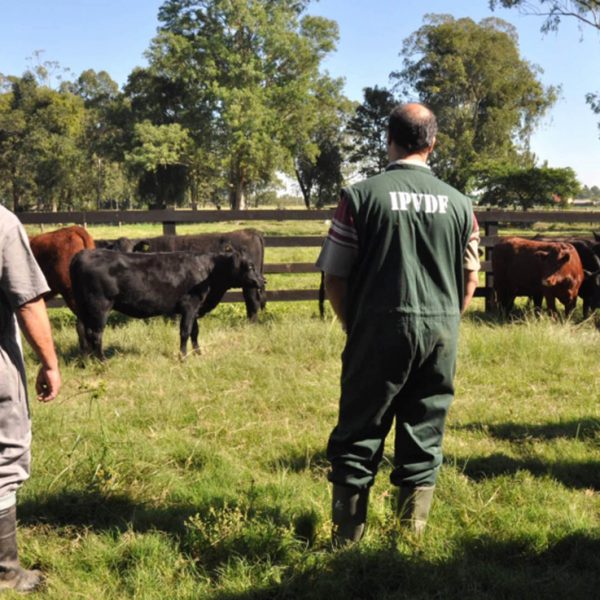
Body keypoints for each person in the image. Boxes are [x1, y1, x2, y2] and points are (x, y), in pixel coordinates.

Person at [316, 102, 480, 546]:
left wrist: (358, 325)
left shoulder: (360, 197)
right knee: (425, 427)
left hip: (378, 328)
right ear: (433, 142)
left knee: (360, 428)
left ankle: (346, 540)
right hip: (442, 332)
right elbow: (471, 279)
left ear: (388, 139)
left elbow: (334, 277)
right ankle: (411, 540)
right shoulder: (462, 205)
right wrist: (446, 321)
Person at [0, 204, 61, 592]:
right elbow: (26, 300)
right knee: (4, 459)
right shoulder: (1, 222)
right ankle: (5, 572)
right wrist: (50, 362)